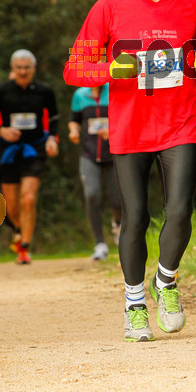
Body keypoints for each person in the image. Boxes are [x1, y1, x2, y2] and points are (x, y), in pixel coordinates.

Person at [64, 0, 196, 342]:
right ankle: (134, 305)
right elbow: (73, 70)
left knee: (180, 210)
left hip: (180, 123)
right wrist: (110, 69)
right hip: (130, 129)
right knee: (136, 218)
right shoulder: (108, 8)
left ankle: (164, 282)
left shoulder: (192, 5)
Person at [0, 49, 59, 264]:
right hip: (9, 151)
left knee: (28, 198)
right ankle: (18, 229)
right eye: (19, 67)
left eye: (27, 67)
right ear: (13, 69)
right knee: (11, 205)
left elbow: (54, 118)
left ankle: (24, 247)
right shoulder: (2, 90)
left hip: (34, 150)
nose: (23, 71)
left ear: (34, 68)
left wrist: (52, 138)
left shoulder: (45, 91)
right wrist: (0, 131)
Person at [68, 84, 121, 260]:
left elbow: (127, 118)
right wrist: (74, 130)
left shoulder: (115, 90)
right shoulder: (80, 94)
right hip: (89, 156)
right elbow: (74, 119)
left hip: (114, 155)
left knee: (116, 199)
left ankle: (119, 226)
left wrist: (113, 131)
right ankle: (100, 244)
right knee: (91, 195)